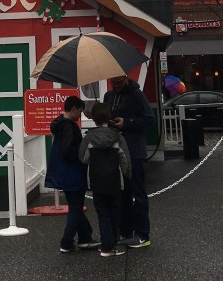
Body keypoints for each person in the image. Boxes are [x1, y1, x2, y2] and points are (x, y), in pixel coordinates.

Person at [103, 74, 154, 248]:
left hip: (134, 151)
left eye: (118, 82)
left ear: (126, 78)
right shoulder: (108, 96)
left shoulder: (136, 95)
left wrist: (127, 123)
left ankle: (142, 234)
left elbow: (149, 119)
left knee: (137, 193)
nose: (115, 85)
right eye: (112, 82)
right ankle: (125, 230)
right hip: (116, 149)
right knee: (121, 193)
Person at [44, 95, 98, 253]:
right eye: (79, 112)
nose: (80, 116)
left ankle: (85, 237)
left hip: (62, 173)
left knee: (75, 206)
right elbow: (70, 151)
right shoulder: (70, 127)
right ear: (73, 108)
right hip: (73, 173)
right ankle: (66, 241)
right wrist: (84, 151)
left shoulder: (59, 124)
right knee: (75, 208)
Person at [78, 103, 131, 257]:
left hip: (97, 181)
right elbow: (125, 161)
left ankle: (106, 246)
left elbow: (83, 159)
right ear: (110, 117)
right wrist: (128, 176)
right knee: (115, 212)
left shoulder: (89, 138)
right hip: (115, 181)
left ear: (93, 119)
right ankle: (111, 244)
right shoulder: (118, 137)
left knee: (103, 213)